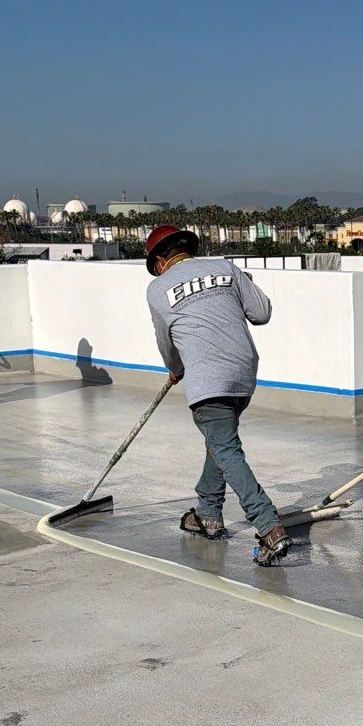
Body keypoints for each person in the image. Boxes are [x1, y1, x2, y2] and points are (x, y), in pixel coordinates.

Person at [143, 224, 291, 566]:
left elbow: (165, 341)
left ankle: (269, 527)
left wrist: (175, 368)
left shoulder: (157, 288)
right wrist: (245, 283)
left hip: (207, 379)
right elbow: (262, 313)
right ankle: (207, 513)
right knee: (220, 443)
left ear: (161, 260)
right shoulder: (225, 267)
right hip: (243, 373)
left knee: (226, 448)